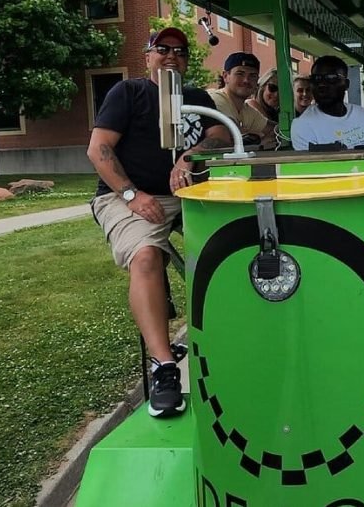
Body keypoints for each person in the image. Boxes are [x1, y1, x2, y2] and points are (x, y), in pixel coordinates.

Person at [87, 27, 231, 418]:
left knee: (238, 241)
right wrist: (132, 195)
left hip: (188, 194)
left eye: (180, 51)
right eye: (162, 49)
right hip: (127, 195)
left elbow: (220, 135)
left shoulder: (198, 99)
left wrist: (191, 154)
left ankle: (238, 335)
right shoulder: (128, 93)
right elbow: (98, 150)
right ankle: (165, 367)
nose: (171, 56)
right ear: (148, 55)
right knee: (147, 257)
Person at [290, 55, 364, 150]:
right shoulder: (302, 126)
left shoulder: (362, 114)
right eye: (316, 78)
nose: (322, 84)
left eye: (331, 78)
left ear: (346, 84)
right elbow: (312, 164)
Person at [210, 52, 277, 148]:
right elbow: (230, 134)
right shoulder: (215, 99)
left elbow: (275, 130)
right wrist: (259, 140)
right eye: (240, 74)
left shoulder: (246, 109)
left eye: (252, 75)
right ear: (225, 76)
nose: (246, 80)